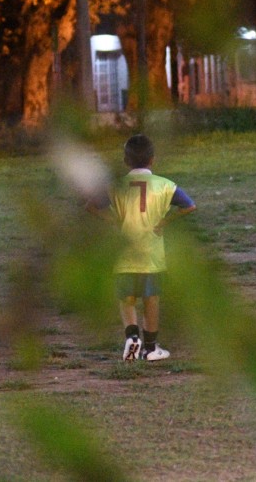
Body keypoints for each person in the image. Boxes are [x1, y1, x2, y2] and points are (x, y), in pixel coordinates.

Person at [87, 134, 196, 361]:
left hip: (124, 252)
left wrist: (114, 220)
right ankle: (151, 348)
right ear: (152, 159)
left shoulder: (115, 186)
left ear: (125, 161)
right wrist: (164, 222)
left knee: (126, 298)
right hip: (151, 254)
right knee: (151, 299)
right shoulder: (165, 185)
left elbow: (91, 206)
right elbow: (189, 206)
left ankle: (132, 337)